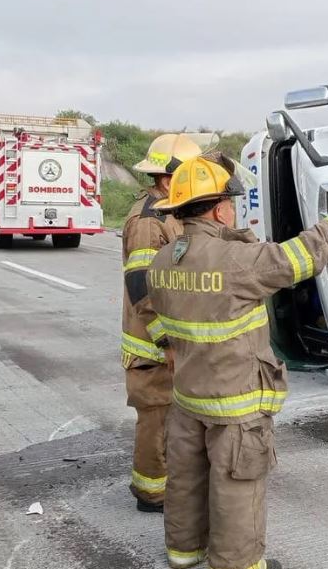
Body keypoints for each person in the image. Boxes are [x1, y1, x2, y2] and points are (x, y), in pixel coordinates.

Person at [147, 156, 328, 569]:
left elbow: (165, 326)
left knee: (186, 480)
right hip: (235, 403)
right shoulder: (235, 261)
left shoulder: (162, 262)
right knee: (237, 486)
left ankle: (183, 554)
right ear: (219, 209)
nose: (233, 210)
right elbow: (297, 259)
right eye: (230, 204)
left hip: (187, 397)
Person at [121, 133, 210, 512]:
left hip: (169, 338)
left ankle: (164, 483)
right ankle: (151, 493)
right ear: (167, 177)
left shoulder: (168, 210)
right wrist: (165, 341)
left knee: (170, 418)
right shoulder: (149, 220)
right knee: (155, 418)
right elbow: (141, 286)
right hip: (152, 343)